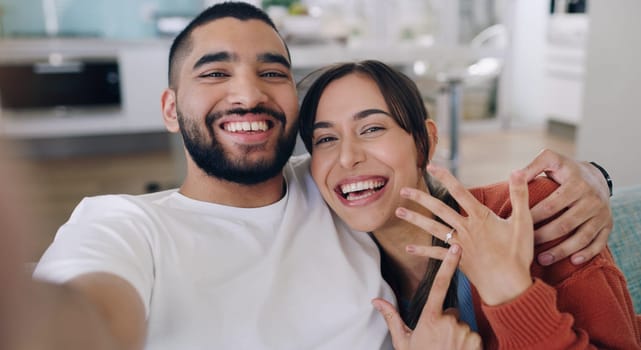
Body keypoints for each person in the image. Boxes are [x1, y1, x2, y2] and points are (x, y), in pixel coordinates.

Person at [23, 2, 612, 349]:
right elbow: (86, 308)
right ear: (172, 109)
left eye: (272, 71)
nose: (248, 93)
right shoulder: (121, 224)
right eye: (214, 73)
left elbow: (443, 192)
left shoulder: (333, 188)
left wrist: (588, 177)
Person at [297, 60, 641, 349]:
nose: (347, 157)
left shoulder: (537, 213)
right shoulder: (343, 272)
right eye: (325, 138)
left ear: (424, 143)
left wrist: (511, 294)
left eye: (371, 128)